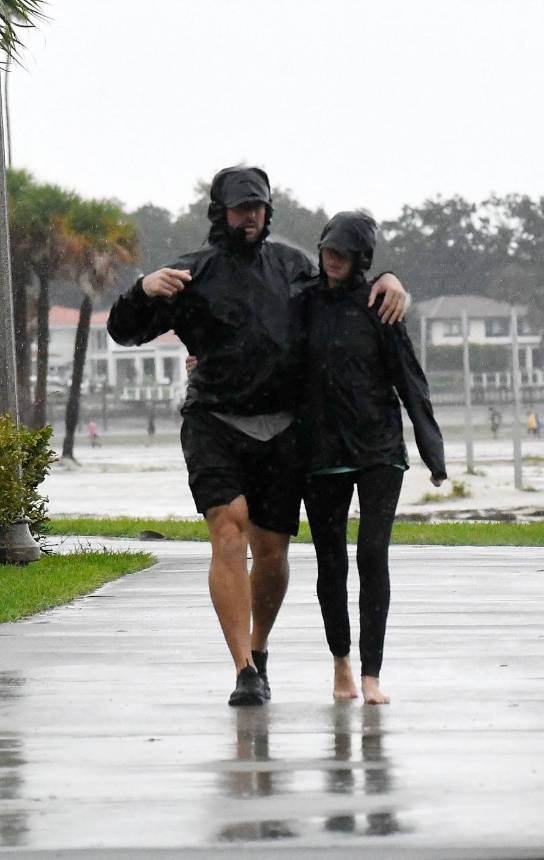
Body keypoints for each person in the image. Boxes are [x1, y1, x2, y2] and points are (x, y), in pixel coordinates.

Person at [107, 166, 409, 707]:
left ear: (268, 210)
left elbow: (345, 286)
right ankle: (243, 668)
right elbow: (124, 331)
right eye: (240, 207)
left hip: (282, 426)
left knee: (271, 550)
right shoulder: (188, 273)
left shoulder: (295, 267)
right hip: (215, 421)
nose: (250, 216)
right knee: (229, 529)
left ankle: (261, 650)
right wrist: (143, 289)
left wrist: (387, 278)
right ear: (219, 212)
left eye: (258, 207)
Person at [296, 211, 447, 705]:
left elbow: (410, 380)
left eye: (343, 253)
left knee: (372, 555)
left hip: (380, 450)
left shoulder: (380, 306)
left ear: (361, 258)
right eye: (328, 250)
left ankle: (372, 674)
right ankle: (340, 662)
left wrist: (432, 452)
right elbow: (262, 346)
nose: (333, 260)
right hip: (321, 452)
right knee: (331, 560)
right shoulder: (303, 304)